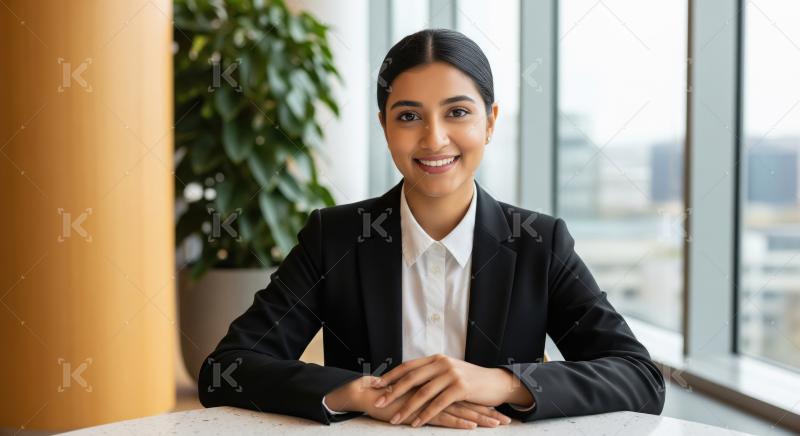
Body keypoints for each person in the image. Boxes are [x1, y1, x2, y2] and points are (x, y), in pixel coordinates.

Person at [198, 28, 666, 429]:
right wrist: (361, 393)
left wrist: (501, 382)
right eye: (408, 116)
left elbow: (640, 378)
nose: (434, 138)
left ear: (490, 122)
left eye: (458, 113)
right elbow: (225, 370)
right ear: (384, 127)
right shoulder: (335, 236)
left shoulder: (538, 243)